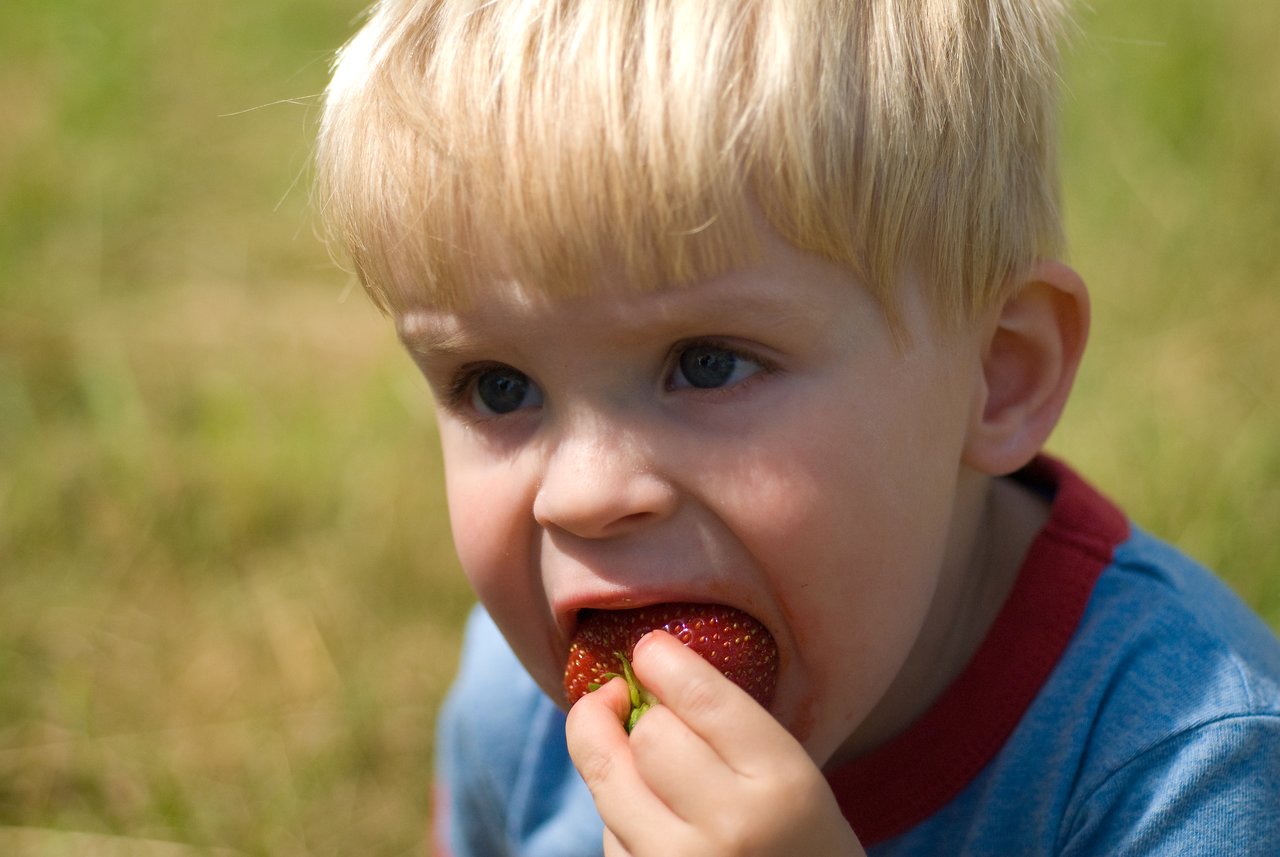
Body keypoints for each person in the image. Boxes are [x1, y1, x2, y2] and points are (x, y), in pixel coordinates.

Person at [315, 1, 1280, 854]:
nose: (586, 494)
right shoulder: (513, 705)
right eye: (496, 385)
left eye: (707, 364)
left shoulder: (1186, 764)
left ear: (998, 375)